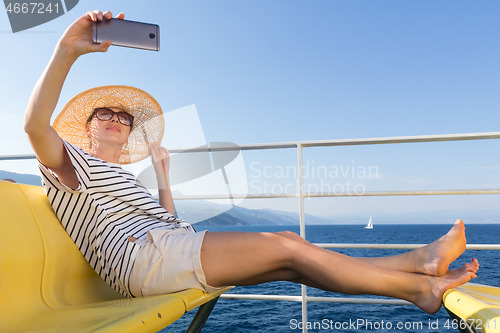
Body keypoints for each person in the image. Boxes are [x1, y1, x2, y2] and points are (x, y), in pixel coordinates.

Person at [24, 10, 479, 315]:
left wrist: (162, 175)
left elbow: (166, 222)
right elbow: (34, 126)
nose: (116, 120)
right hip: (141, 264)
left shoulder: (120, 177)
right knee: (286, 245)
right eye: (105, 114)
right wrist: (68, 49)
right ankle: (421, 288)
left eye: (123, 117)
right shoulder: (69, 163)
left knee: (289, 258)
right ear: (87, 128)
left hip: (163, 246)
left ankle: (419, 261)